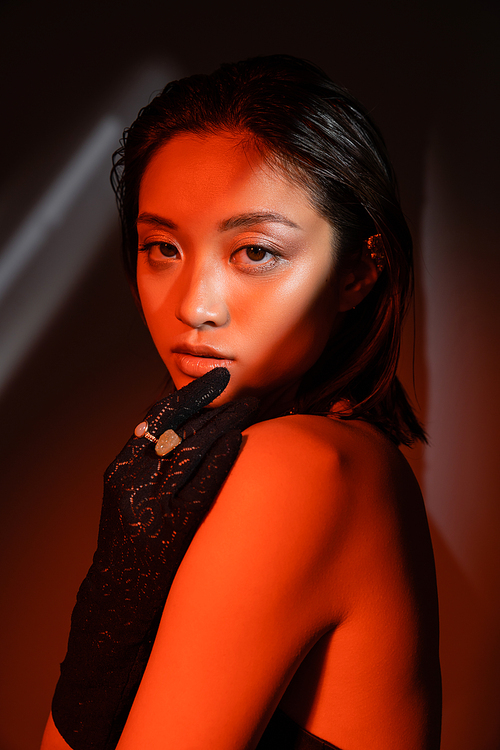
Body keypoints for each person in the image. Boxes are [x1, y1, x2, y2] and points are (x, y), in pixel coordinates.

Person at [41, 55, 441, 750]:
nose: (193, 306)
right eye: (162, 247)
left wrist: (111, 601)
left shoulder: (298, 468)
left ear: (357, 272)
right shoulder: (340, 454)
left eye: (254, 253)